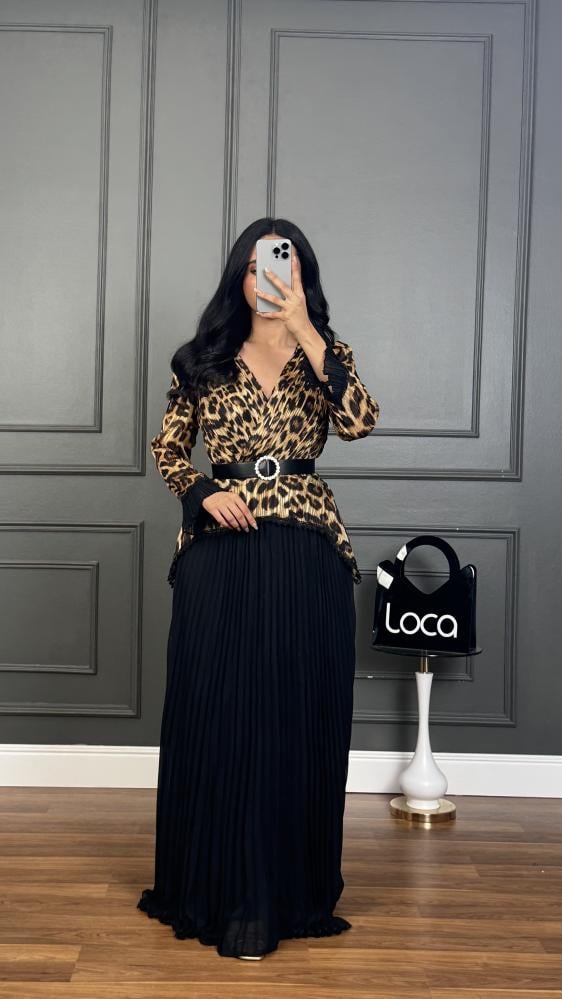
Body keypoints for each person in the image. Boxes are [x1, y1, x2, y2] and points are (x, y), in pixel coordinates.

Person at [137, 218, 380, 959]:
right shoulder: (201, 358)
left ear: (301, 274)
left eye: (281, 264)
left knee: (294, 715)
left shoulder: (326, 353)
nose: (265, 277)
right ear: (237, 278)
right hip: (219, 543)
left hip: (307, 545)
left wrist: (304, 326)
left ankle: (288, 892)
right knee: (219, 713)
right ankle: (215, 891)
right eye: (253, 266)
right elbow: (169, 449)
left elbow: (360, 422)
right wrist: (200, 491)